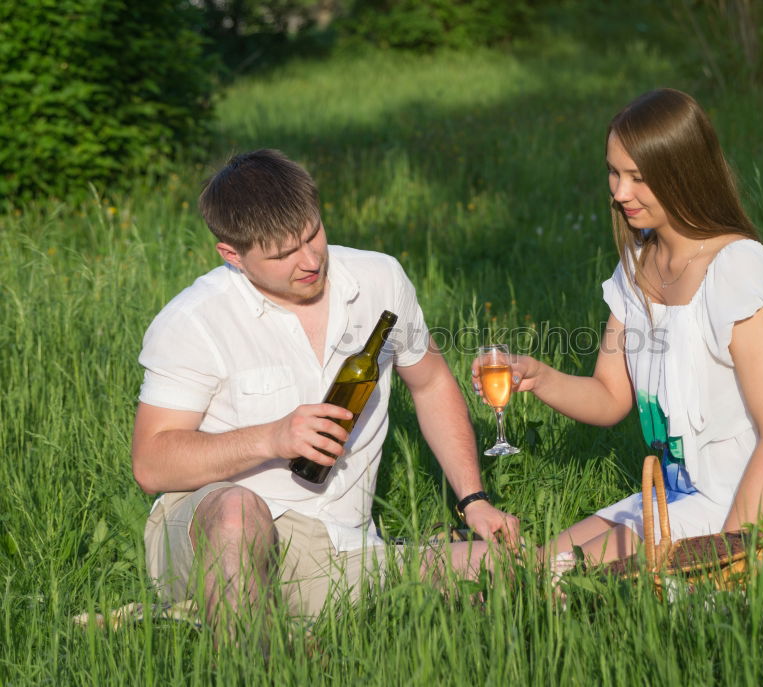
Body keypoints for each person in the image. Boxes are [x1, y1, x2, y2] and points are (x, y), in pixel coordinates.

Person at [133, 149, 519, 637]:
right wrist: (271, 438)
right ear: (232, 254)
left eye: (313, 233)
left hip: (341, 545)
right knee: (237, 514)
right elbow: (151, 463)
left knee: (508, 569)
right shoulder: (195, 320)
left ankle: (263, 618)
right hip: (214, 532)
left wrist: (474, 499)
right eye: (282, 254)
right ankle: (251, 665)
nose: (311, 261)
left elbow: (432, 382)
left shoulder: (380, 280)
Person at [473, 88, 763, 568]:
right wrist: (538, 378)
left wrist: (726, 553)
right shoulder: (637, 264)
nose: (619, 192)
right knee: (545, 567)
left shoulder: (738, 268)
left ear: (683, 174)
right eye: (614, 172)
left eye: (638, 177)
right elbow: (609, 396)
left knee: (582, 583)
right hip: (682, 500)